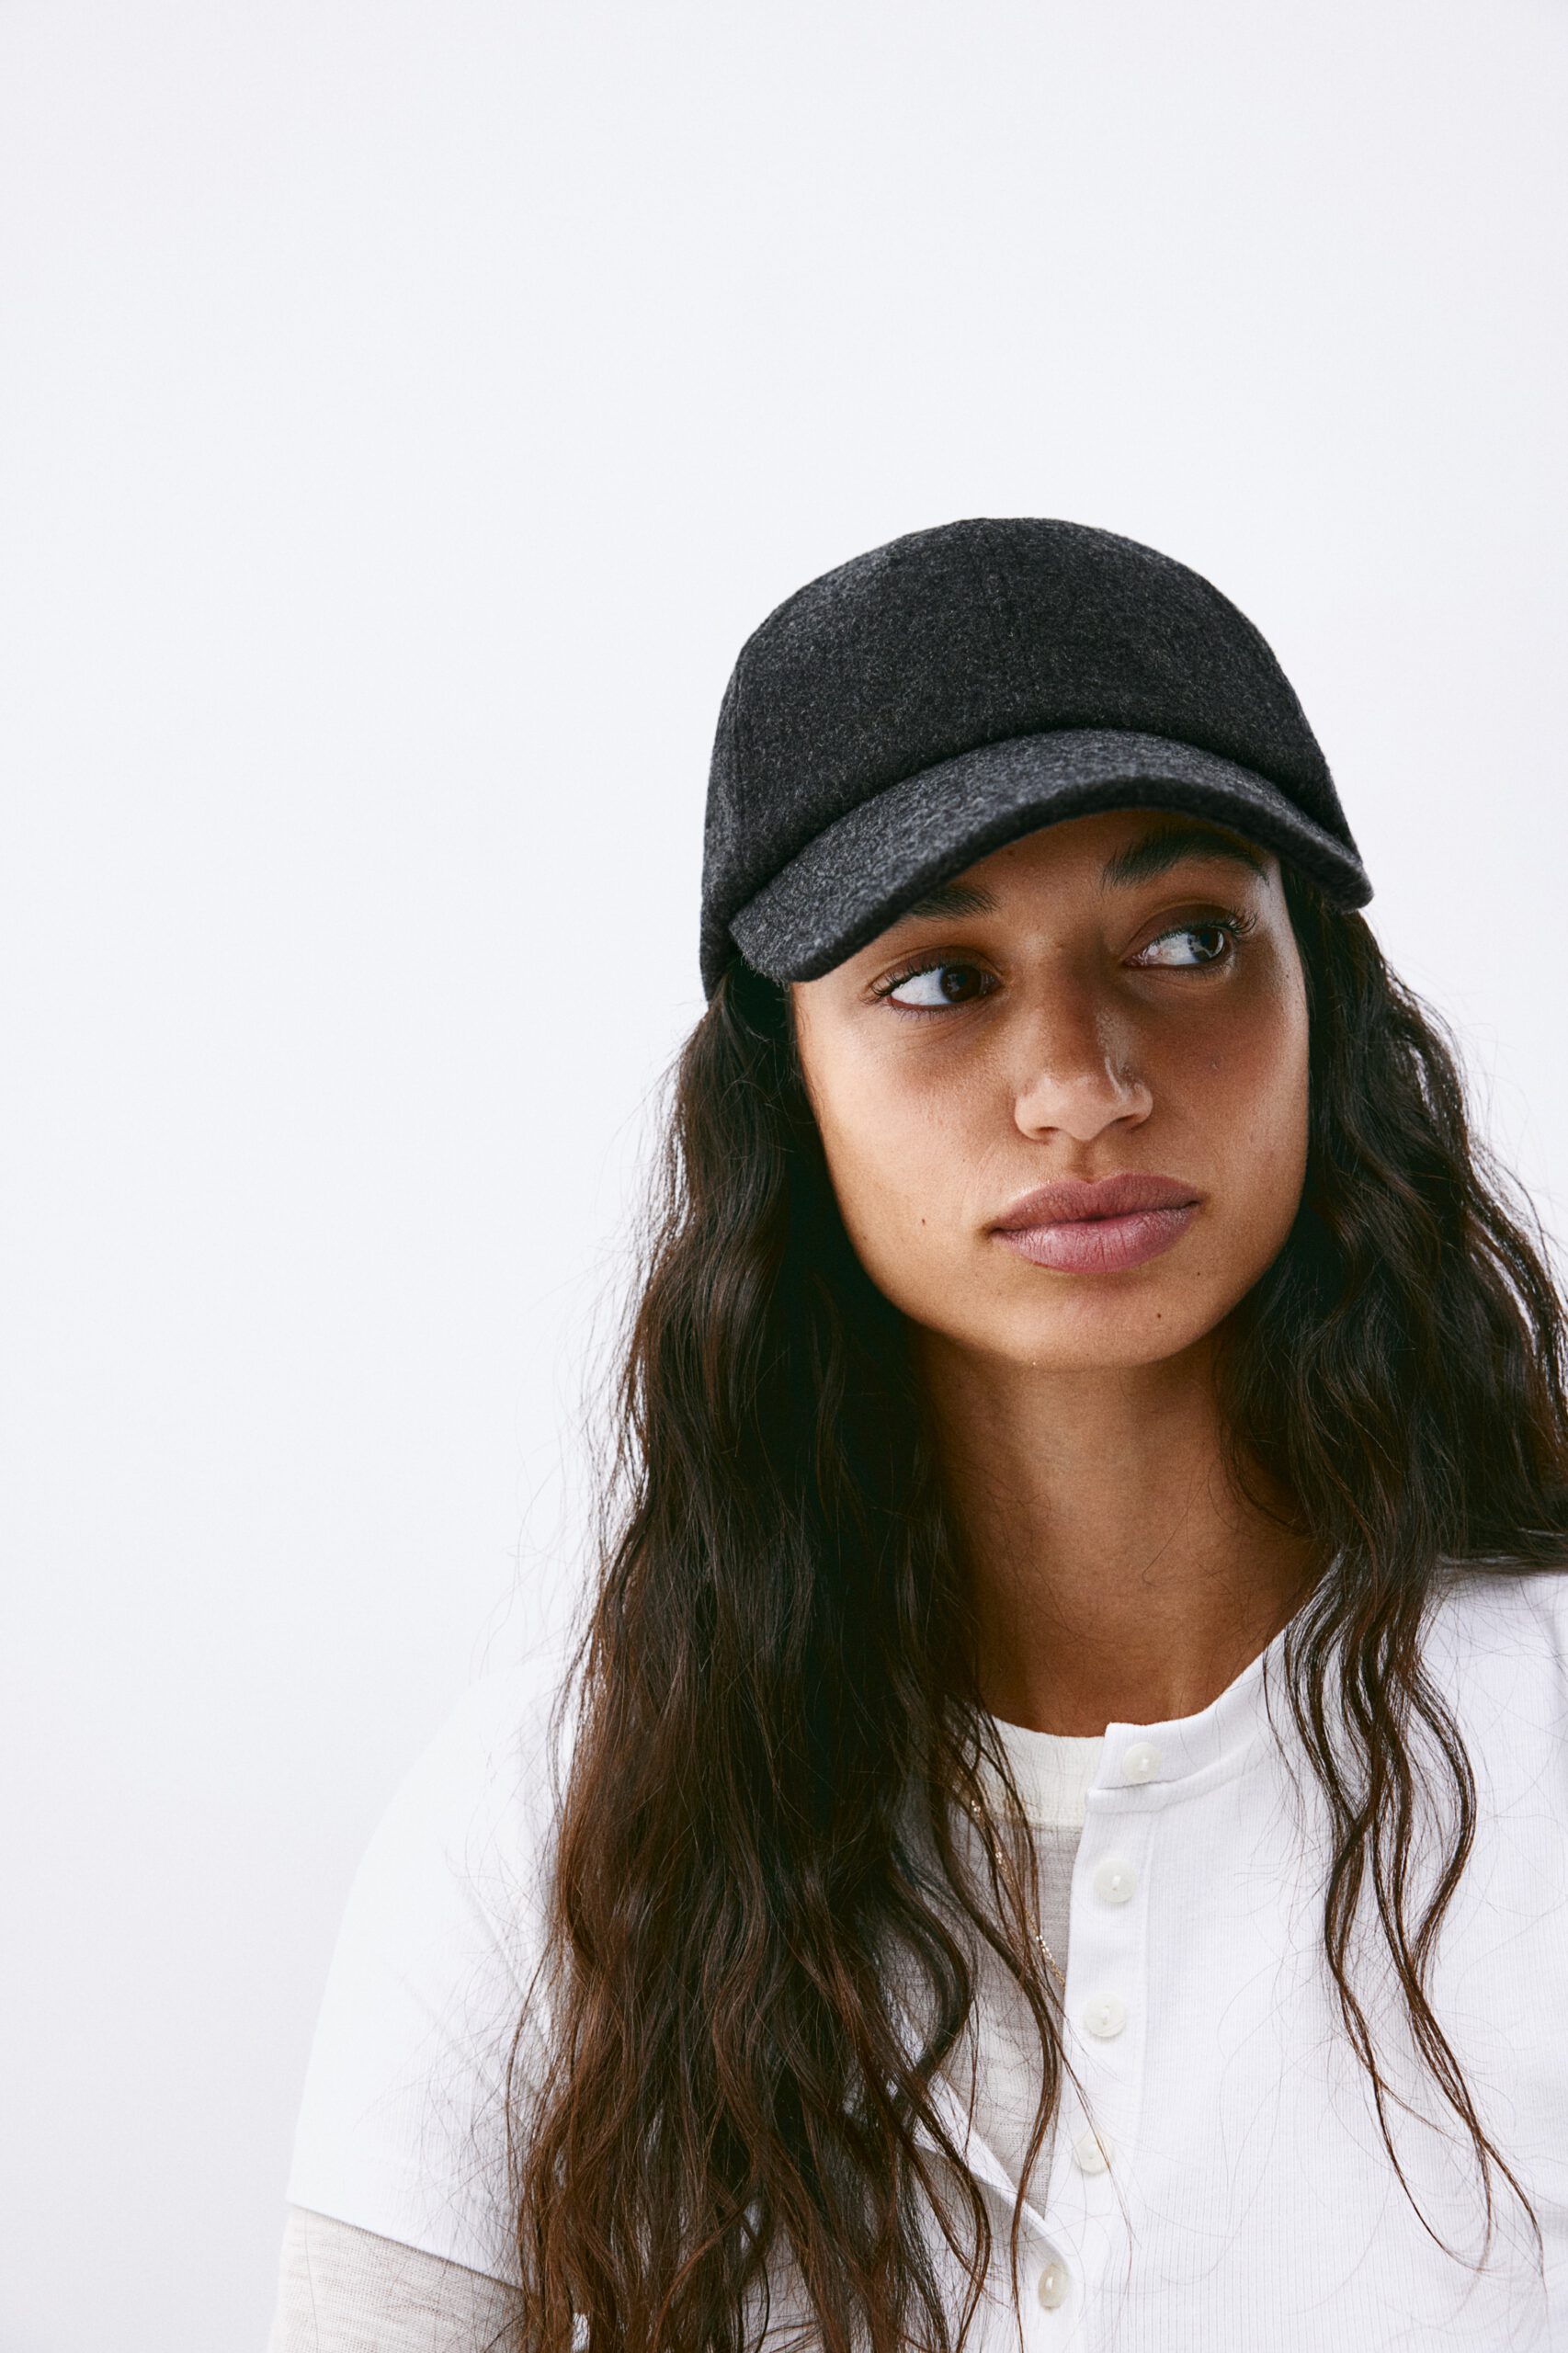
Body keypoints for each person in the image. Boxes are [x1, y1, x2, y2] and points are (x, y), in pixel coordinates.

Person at [265, 519, 1568, 2352]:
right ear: (783, 1079)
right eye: (942, 979)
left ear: (1324, 999)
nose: (1083, 1085)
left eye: (1188, 938)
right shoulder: (550, 1821)